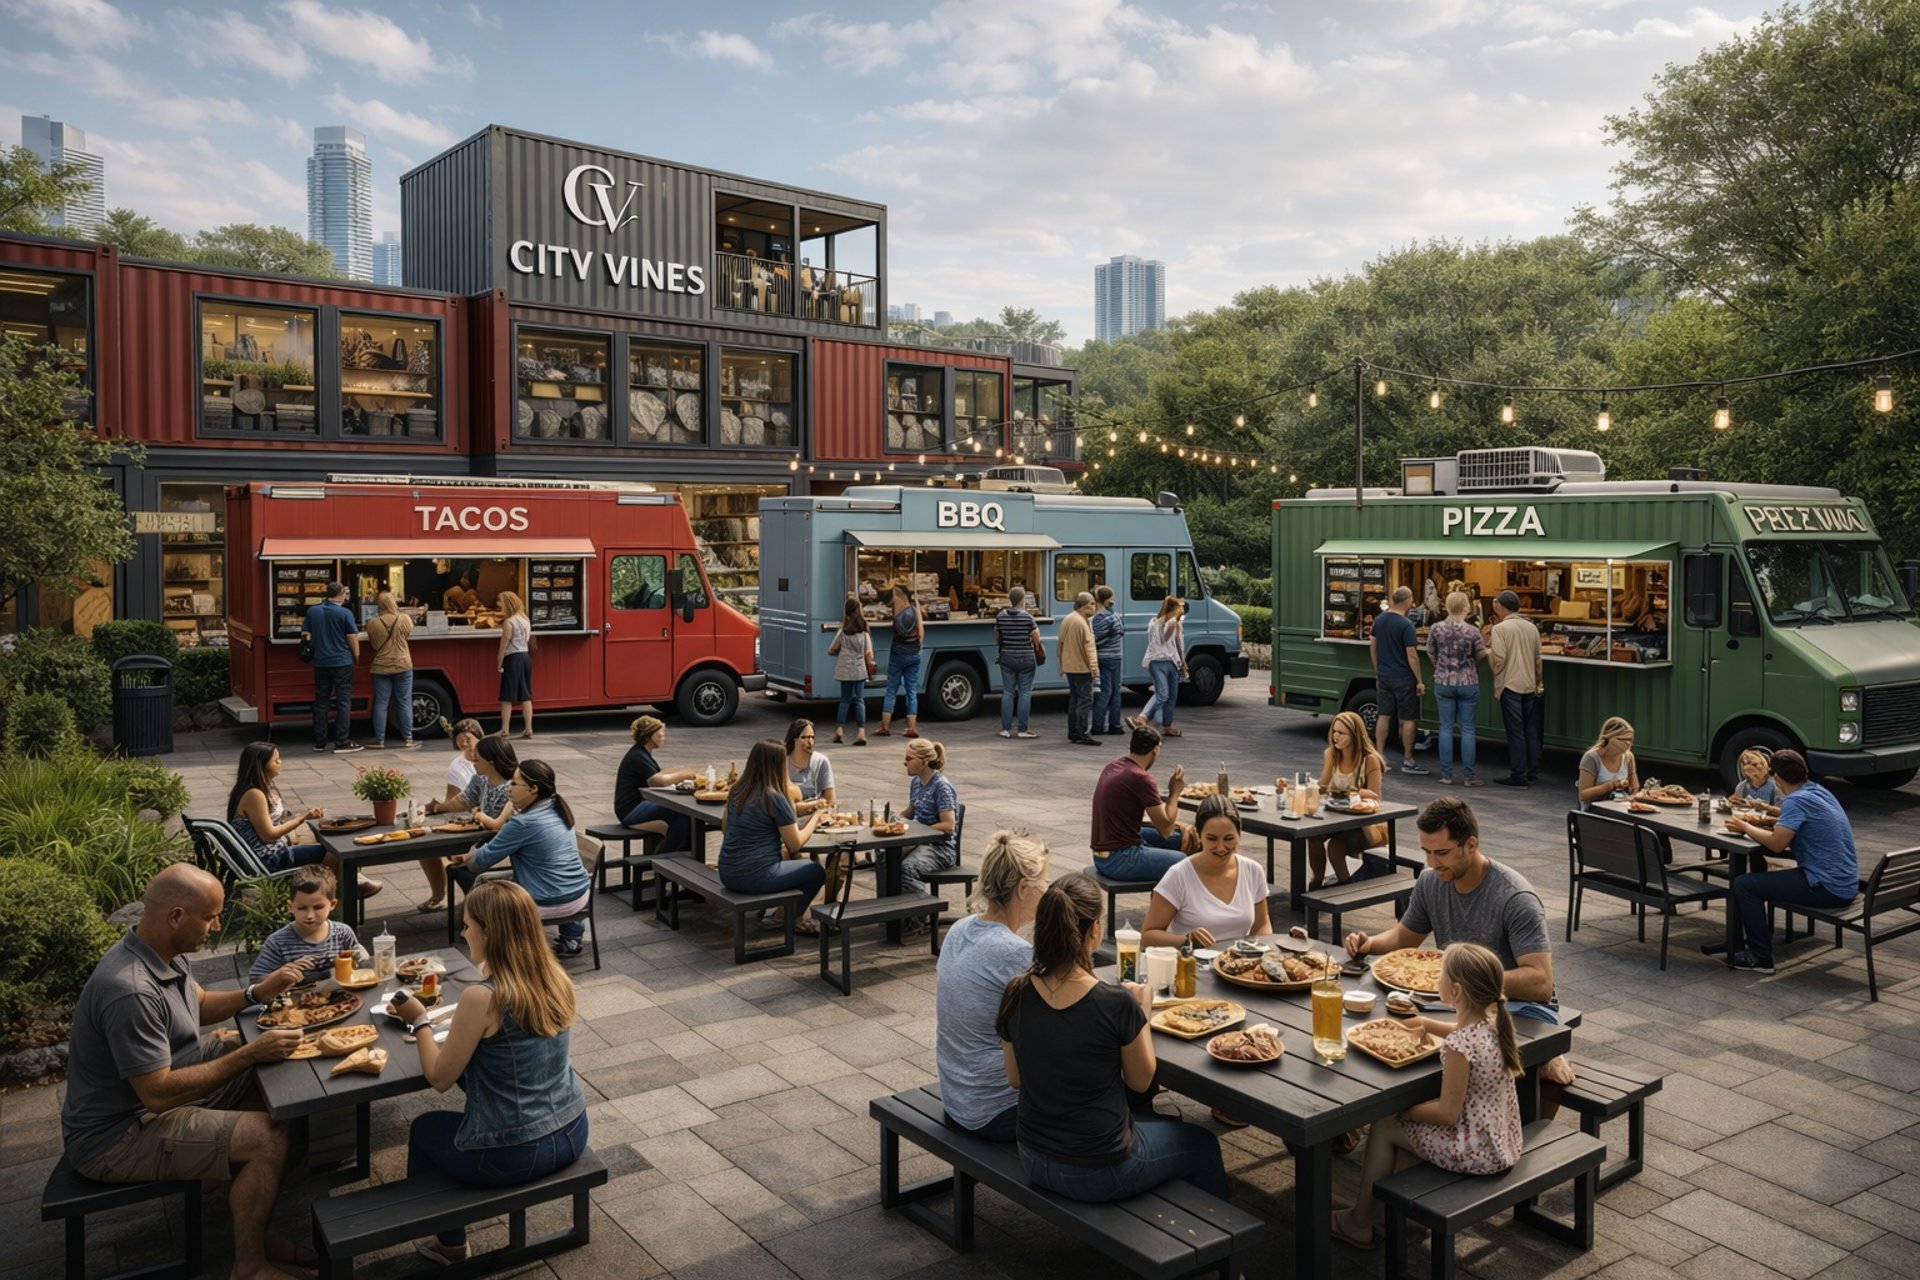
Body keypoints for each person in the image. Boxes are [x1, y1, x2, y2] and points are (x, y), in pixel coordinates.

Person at [62, 864, 311, 1280]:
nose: (216, 926)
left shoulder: (161, 951)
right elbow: (157, 1094)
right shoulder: (131, 989)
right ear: (176, 916)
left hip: (154, 1097)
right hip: (117, 1135)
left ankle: (252, 1219)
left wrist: (256, 992)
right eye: (211, 917)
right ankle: (249, 1267)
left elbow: (200, 1004)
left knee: (276, 1085)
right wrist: (249, 1055)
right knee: (268, 1135)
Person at [387, 879, 589, 1267]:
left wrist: (420, 1020)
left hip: (517, 1153)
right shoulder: (554, 977)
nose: (464, 932)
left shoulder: (483, 996)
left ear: (490, 932)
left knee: (425, 1129)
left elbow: (439, 1079)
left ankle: (451, 1245)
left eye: (468, 925)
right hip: (573, 1129)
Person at [995, 873, 1228, 1202]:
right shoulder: (1115, 1003)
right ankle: (1213, 1246)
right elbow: (1140, 1082)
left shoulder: (1016, 991)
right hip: (1098, 1170)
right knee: (1203, 1144)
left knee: (1146, 1123)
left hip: (1032, 1156)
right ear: (1094, 930)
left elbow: (1015, 1078)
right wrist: (1141, 1015)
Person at [1330, 943, 1524, 1249]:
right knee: (1404, 1125)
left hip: (1474, 1151)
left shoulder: (1459, 1046)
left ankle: (1358, 1222)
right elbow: (1462, 1031)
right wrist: (1426, 1023)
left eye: (1440, 976)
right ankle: (1384, 1212)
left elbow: (1447, 1114)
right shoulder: (1494, 1024)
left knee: (1385, 1125)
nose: (1437, 981)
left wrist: (1407, 1113)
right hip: (1500, 1140)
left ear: (1456, 991)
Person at [1345, 797, 1558, 1023]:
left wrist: (1469, 979)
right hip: (1459, 1002)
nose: (1432, 863)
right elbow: (1403, 935)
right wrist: (1369, 944)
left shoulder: (1515, 898)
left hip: (1519, 1009)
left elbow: (1541, 983)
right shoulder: (1430, 881)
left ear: (1471, 845)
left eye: (1442, 853)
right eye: (1427, 852)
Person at [935, 832, 1051, 1141]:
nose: (1046, 894)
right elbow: (1062, 1021)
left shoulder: (960, 929)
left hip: (957, 1097)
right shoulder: (1015, 953)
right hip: (996, 1110)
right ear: (1023, 889)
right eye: (1043, 886)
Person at [1723, 749, 1861, 974]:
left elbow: (1777, 844)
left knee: (1744, 884)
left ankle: (1760, 957)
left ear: (1776, 778)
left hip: (1826, 887)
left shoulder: (1796, 801)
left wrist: (1745, 826)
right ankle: (1753, 941)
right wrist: (1766, 809)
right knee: (1753, 881)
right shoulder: (1818, 791)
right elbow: (1794, 816)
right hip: (1845, 881)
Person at [448, 760, 591, 958]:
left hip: (547, 903)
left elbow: (478, 863)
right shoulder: (558, 809)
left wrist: (472, 850)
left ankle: (505, 947)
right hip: (580, 894)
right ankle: (571, 938)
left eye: (514, 784)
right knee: (553, 872)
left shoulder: (523, 823)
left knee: (483, 883)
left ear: (533, 789)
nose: (508, 788)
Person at [718, 739, 828, 935]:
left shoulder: (737, 790)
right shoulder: (774, 797)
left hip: (727, 873)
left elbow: (725, 828)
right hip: (755, 876)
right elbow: (794, 844)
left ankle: (775, 910)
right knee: (816, 872)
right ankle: (782, 918)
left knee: (786, 857)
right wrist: (816, 819)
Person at [1142, 795, 1271, 949]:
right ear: (1200, 836)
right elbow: (1147, 936)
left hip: (1237, 965)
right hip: (1190, 966)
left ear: (1239, 836)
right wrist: (1187, 941)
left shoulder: (1253, 871)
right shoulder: (1179, 875)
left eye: (1229, 838)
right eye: (1212, 839)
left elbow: (1262, 924)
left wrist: (1261, 950)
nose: (1221, 847)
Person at [1090, 724, 1189, 881]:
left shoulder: (1113, 766)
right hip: (1119, 859)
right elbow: (1166, 829)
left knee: (1180, 838)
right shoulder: (1141, 778)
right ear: (1155, 750)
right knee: (1183, 861)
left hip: (1101, 854)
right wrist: (1174, 793)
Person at [1308, 711, 1389, 888]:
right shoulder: (1331, 754)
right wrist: (1310, 787)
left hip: (1363, 824)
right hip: (1336, 816)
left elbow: (1375, 797)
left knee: (1335, 846)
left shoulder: (1370, 760)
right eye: (1334, 731)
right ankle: (1317, 882)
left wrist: (1347, 792)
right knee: (1312, 836)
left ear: (1355, 734)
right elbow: (1323, 786)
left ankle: (1344, 884)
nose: (1336, 736)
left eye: (1341, 733)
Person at [248, 866, 367, 983]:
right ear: (291, 907)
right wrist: (284, 973)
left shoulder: (343, 934)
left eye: (318, 907)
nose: (310, 915)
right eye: (302, 908)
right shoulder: (278, 942)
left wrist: (361, 957)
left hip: (346, 998)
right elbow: (255, 980)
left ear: (332, 904)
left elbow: (361, 965)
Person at [420, 719, 486, 910]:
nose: (465, 745)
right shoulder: (458, 766)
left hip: (488, 828)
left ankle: (476, 902)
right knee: (426, 847)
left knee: (460, 859)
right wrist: (437, 808)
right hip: (471, 821)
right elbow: (456, 801)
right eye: (460, 741)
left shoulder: (493, 762)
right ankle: (438, 895)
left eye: (468, 738)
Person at [1426, 590, 1488, 785]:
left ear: (1447, 606)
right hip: (1468, 681)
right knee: (1468, 729)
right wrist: (1471, 666)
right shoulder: (1472, 631)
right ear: (1466, 608)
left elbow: (1430, 652)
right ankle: (1469, 776)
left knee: (1445, 728)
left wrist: (1440, 666)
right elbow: (1482, 654)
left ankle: (1446, 775)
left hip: (1444, 681)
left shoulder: (1436, 628)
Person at [612, 715, 697, 852]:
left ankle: (681, 855)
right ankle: (668, 856)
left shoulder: (642, 753)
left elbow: (659, 774)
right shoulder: (637, 756)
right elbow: (657, 781)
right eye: (660, 734)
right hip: (630, 811)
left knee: (683, 813)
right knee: (681, 813)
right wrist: (684, 774)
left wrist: (679, 773)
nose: (663, 738)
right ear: (649, 736)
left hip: (637, 806)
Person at [1488, 590, 1543, 787]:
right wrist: (1538, 682)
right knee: (1530, 729)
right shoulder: (1532, 628)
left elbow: (1499, 660)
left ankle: (1518, 774)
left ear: (1500, 606)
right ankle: (1532, 770)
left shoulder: (1500, 629)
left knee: (1515, 731)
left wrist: (1497, 685)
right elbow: (1538, 660)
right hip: (1529, 684)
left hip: (1510, 684)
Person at [1372, 585, 1428, 774]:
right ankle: (1408, 760)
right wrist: (1419, 680)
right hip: (1404, 677)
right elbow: (1412, 656)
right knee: (1408, 719)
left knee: (1384, 715)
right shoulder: (1406, 625)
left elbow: (1373, 646)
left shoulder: (1379, 620)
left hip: (1384, 675)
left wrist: (1377, 669)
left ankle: (1379, 755)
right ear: (1408, 600)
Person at [901, 738, 960, 910]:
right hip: (919, 843)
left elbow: (949, 825)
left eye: (909, 759)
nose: (904, 763)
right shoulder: (917, 782)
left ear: (924, 762)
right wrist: (889, 820)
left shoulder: (941, 787)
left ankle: (922, 915)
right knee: (884, 861)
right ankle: (893, 915)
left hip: (940, 849)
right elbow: (911, 811)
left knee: (906, 868)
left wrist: (920, 832)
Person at [303, 580, 362, 754]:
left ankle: (320, 742)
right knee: (343, 700)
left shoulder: (312, 611)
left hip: (320, 661)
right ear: (341, 594)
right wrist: (356, 657)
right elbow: (352, 637)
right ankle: (341, 742)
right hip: (341, 661)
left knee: (321, 701)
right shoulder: (345, 613)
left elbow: (306, 634)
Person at [365, 590, 420, 750]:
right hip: (403, 664)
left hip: (380, 667)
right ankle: (408, 739)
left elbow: (373, 644)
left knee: (381, 703)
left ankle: (380, 740)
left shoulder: (372, 623)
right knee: (404, 702)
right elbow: (408, 634)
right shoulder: (404, 619)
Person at [994, 585, 1045, 740]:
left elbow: (997, 637)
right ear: (1022, 600)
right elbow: (1036, 638)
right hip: (1026, 657)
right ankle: (1023, 729)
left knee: (1008, 692)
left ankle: (1005, 729)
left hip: (1007, 656)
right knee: (1025, 692)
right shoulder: (1028, 617)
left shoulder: (1000, 616)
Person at [1135, 596, 1188, 737]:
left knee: (1172, 696)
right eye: (1180, 607)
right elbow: (1164, 638)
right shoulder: (1157, 623)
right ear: (1174, 609)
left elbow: (1178, 643)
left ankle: (1166, 725)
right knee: (1163, 694)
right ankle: (1147, 720)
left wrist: (1183, 661)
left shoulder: (1175, 623)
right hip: (1157, 661)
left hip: (1172, 662)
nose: (1183, 610)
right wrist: (1173, 622)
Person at [878, 584, 923, 739]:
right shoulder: (913, 612)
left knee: (891, 690)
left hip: (897, 655)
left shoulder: (896, 616)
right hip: (913, 655)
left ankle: (885, 726)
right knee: (911, 692)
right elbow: (921, 632)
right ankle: (911, 728)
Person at [827, 595, 872, 746]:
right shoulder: (864, 633)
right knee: (859, 700)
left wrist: (839, 653)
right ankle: (861, 732)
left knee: (844, 700)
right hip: (859, 669)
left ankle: (839, 730)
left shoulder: (843, 632)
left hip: (844, 669)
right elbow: (868, 654)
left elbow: (831, 650)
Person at [1059, 591, 1100, 745]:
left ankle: (1073, 732)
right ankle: (1081, 733)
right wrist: (1094, 668)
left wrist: (1062, 664)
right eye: (1091, 604)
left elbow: (1060, 644)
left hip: (1070, 666)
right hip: (1082, 667)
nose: (1094, 607)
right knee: (1085, 700)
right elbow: (1089, 647)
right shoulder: (1082, 622)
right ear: (1083, 606)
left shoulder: (1068, 619)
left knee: (1074, 699)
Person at [1576, 716, 1640, 810]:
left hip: (1621, 808)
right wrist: (1609, 786)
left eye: (1630, 740)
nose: (1627, 743)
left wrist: (1634, 795)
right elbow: (1583, 795)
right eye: (1622, 739)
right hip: (1594, 811)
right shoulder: (1591, 758)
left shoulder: (1628, 757)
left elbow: (1635, 787)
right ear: (1609, 738)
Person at [496, 590, 534, 740]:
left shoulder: (508, 622)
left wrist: (499, 664)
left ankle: (505, 729)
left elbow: (503, 646)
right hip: (525, 656)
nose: (499, 605)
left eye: (501, 602)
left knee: (507, 696)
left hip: (513, 658)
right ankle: (528, 728)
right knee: (526, 694)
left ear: (507, 604)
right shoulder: (525, 619)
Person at [1091, 584, 1126, 735]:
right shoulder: (1116, 616)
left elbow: (1095, 640)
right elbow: (1120, 632)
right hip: (1116, 656)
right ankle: (1115, 724)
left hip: (1103, 657)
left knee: (1105, 691)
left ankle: (1098, 725)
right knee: (1115, 691)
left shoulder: (1097, 618)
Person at [785, 717, 837, 817]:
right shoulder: (782, 761)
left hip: (812, 815)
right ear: (794, 739)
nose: (810, 742)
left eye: (812, 737)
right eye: (804, 738)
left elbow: (830, 800)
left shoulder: (821, 761)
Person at [1731, 747, 1783, 815]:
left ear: (1768, 768)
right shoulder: (1741, 787)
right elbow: (1737, 808)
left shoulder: (1776, 786)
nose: (1750, 767)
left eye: (1755, 764)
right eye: (1745, 764)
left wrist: (1762, 806)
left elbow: (1782, 812)